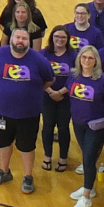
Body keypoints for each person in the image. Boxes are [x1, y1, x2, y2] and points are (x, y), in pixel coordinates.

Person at [0, 28, 55, 194]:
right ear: (11, 39)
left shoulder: (39, 60)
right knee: (3, 143)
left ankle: (28, 176)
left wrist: (30, 91)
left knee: (27, 146)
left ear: (28, 41)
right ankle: (4, 171)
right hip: (2, 112)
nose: (20, 41)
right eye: (18, 37)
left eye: (24, 38)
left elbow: (49, 80)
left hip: (29, 114)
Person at [66, 45, 104, 207]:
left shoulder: (103, 81)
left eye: (90, 58)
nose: (87, 60)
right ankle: (91, 186)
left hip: (96, 125)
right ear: (79, 59)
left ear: (96, 61)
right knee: (87, 157)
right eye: (84, 57)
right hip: (78, 123)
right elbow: (69, 95)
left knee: (88, 158)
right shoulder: (73, 77)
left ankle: (87, 196)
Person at [40, 27, 76, 173]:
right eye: (57, 37)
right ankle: (47, 157)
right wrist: (50, 91)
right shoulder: (43, 54)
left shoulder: (73, 55)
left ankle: (63, 159)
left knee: (63, 127)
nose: (60, 40)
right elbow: (39, 74)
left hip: (66, 97)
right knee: (47, 126)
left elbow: (76, 76)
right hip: (46, 96)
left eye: (63, 37)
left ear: (67, 40)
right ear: (52, 38)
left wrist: (60, 92)